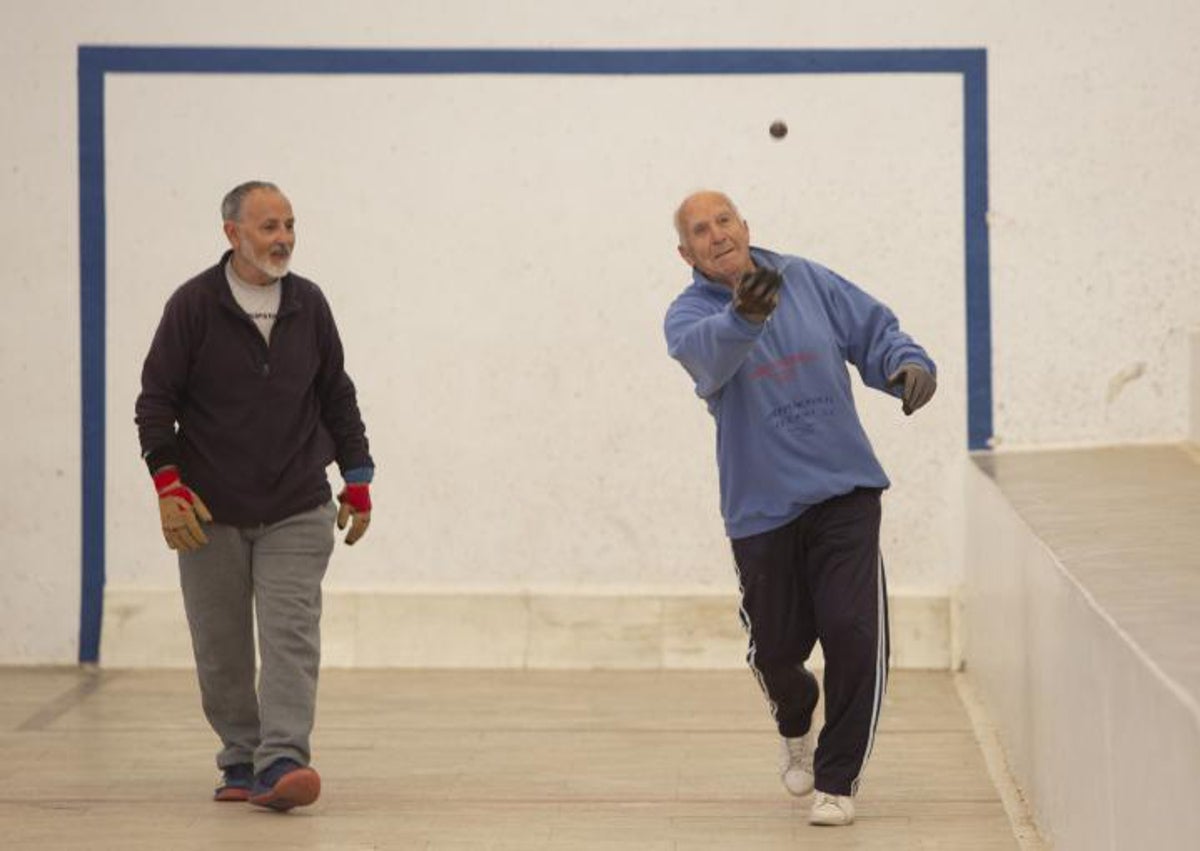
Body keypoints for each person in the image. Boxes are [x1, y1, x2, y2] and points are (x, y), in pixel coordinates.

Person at [663, 190, 936, 827]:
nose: (717, 234)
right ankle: (794, 716)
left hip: (844, 494)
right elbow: (713, 353)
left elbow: (873, 330)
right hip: (761, 512)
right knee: (777, 652)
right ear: (687, 252)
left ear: (745, 224)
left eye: (724, 220)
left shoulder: (805, 278)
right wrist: (746, 316)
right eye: (701, 230)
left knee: (852, 632)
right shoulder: (685, 319)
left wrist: (905, 363)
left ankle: (838, 779)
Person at [134, 180, 374, 811]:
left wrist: (359, 476)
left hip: (298, 502)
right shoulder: (192, 306)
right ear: (232, 234)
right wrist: (168, 484)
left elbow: (336, 393)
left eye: (290, 224)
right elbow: (156, 401)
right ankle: (240, 755)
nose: (284, 238)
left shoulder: (309, 304)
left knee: (291, 633)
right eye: (269, 227)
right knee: (222, 647)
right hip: (209, 509)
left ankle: (283, 760)